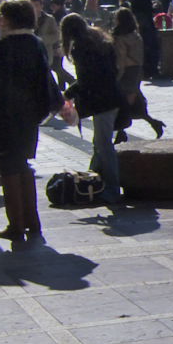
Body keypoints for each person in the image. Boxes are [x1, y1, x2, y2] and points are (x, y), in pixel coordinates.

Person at [0, 0, 59, 240]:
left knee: (9, 168)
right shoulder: (34, 42)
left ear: (11, 18)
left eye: (2, 16)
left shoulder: (6, 44)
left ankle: (16, 224)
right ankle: (32, 221)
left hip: (7, 113)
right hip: (30, 114)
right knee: (23, 164)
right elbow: (43, 77)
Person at [60, 12, 126, 203]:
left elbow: (85, 79)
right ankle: (94, 178)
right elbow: (112, 70)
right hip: (112, 95)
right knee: (100, 142)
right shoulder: (101, 40)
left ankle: (113, 189)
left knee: (103, 144)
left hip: (101, 100)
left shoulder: (81, 48)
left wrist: (68, 94)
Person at [110, 8, 165, 143]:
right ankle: (151, 123)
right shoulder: (136, 35)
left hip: (126, 71)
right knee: (130, 102)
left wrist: (117, 75)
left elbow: (121, 58)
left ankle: (122, 132)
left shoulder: (119, 37)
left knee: (123, 103)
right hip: (136, 70)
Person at [131, 0, 162, 80]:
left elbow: (133, 8)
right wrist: (154, 8)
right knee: (152, 46)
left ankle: (144, 71)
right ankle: (153, 70)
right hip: (147, 23)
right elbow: (148, 9)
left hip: (138, 23)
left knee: (142, 47)